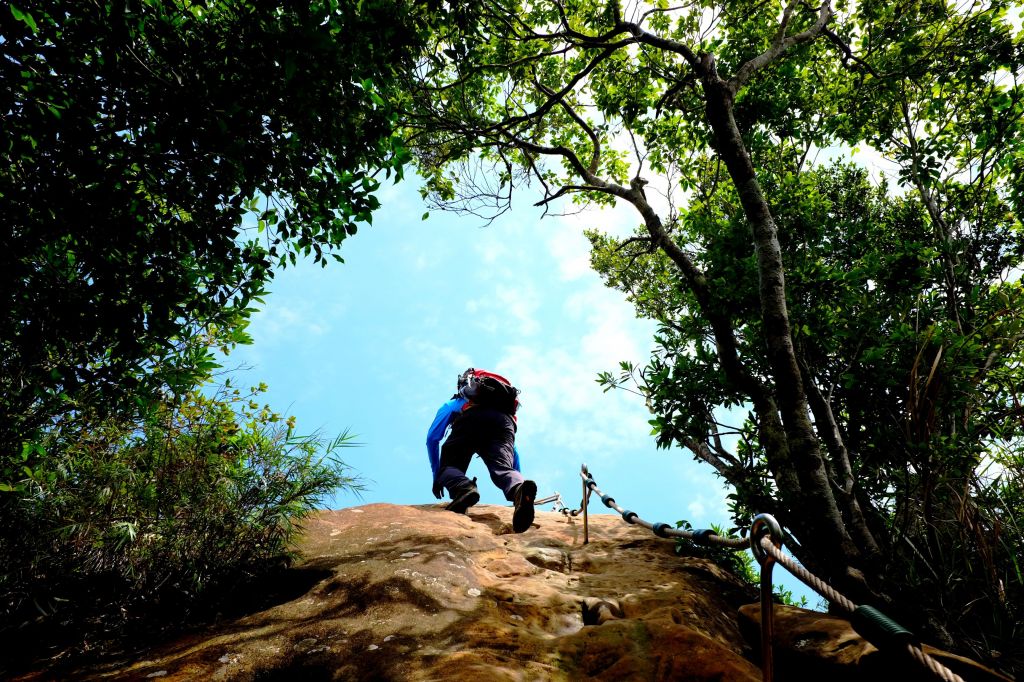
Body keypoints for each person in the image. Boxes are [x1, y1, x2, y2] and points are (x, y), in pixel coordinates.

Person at [426, 368, 537, 533]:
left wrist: (438, 475)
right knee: (502, 467)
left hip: (472, 418)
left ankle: (464, 488)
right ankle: (518, 491)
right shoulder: (502, 408)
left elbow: (432, 438)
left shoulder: (457, 402)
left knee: (449, 466)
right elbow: (514, 453)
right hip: (505, 424)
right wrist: (519, 493)